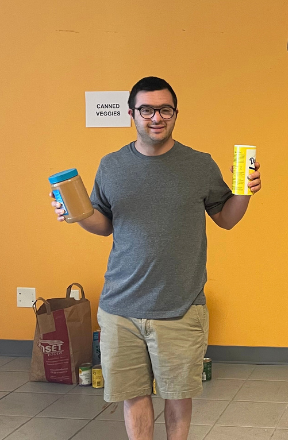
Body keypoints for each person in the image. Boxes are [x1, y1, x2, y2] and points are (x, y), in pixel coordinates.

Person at [49, 76, 261, 440]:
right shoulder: (112, 165)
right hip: (120, 308)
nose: (156, 117)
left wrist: (246, 193)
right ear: (132, 114)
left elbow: (226, 219)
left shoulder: (198, 164)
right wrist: (77, 215)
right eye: (147, 109)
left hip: (180, 307)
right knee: (133, 396)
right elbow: (104, 225)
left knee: (178, 396)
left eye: (165, 109)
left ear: (175, 114)